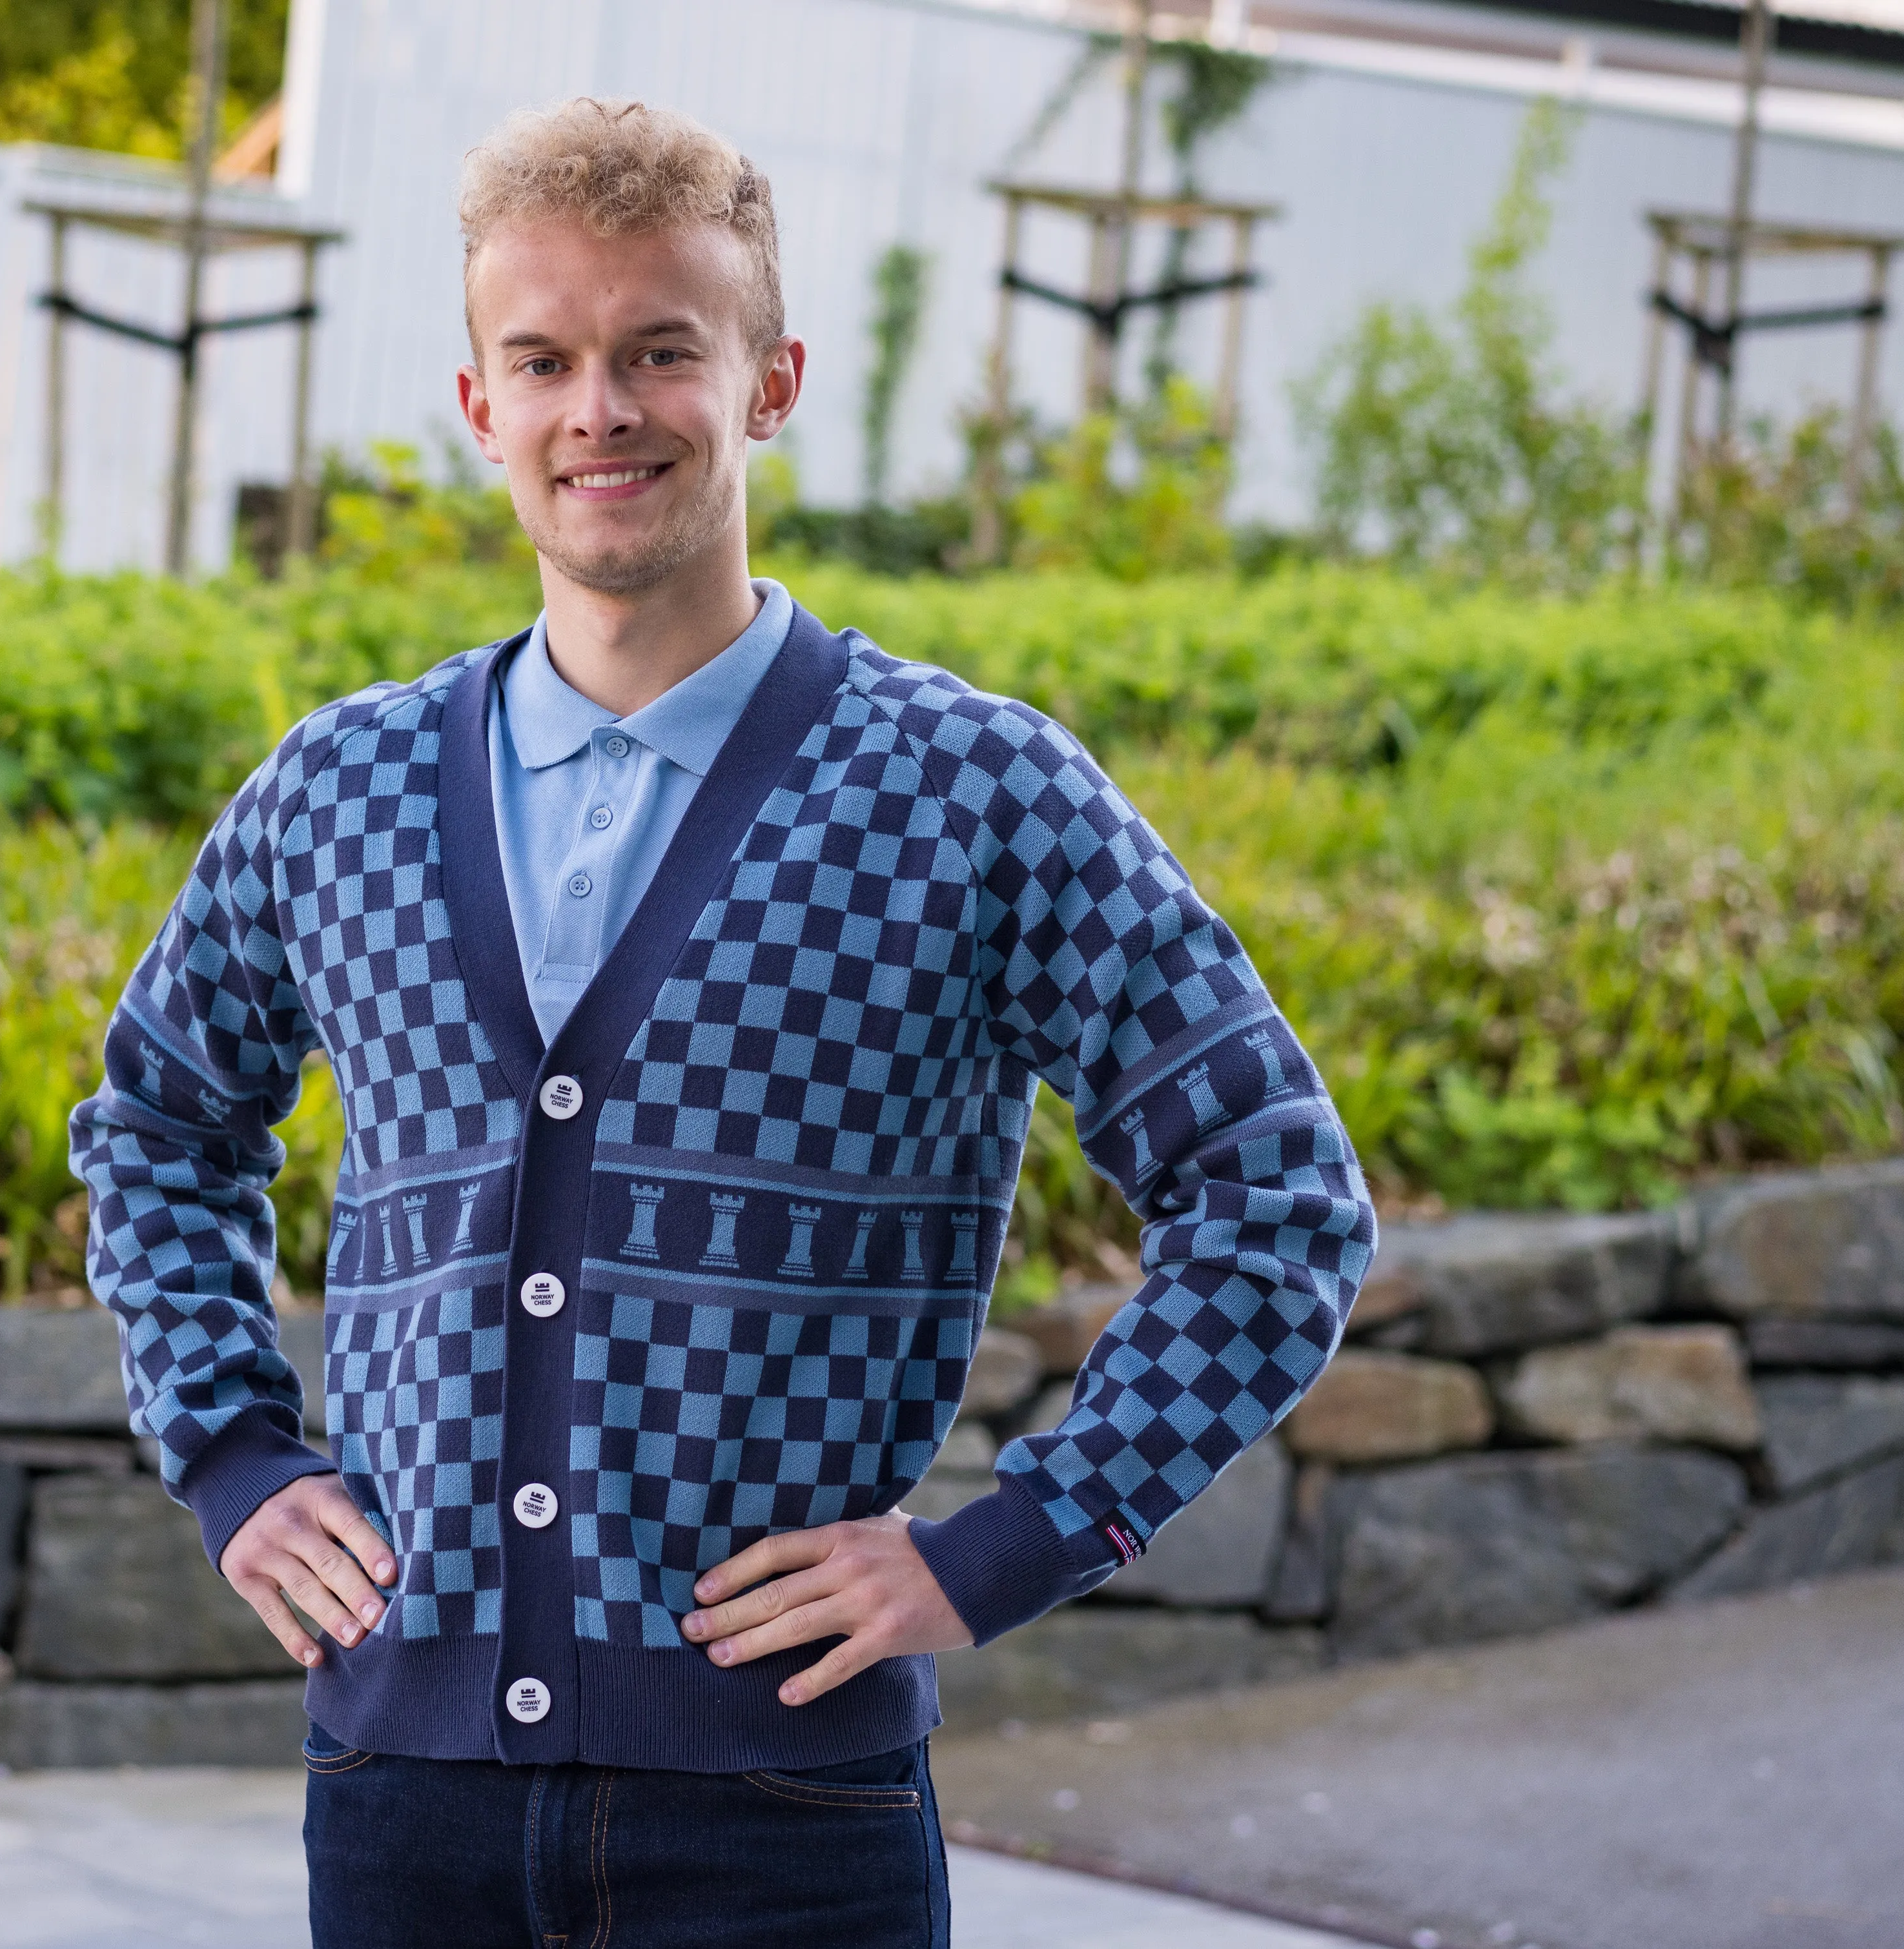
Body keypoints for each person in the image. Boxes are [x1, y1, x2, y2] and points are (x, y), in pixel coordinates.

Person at [69, 96, 1375, 1949]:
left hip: (785, 1814)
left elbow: (1274, 1196)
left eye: (659, 352)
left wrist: (1005, 1547)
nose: (597, 409)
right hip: (400, 1796)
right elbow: (158, 1127)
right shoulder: (336, 790)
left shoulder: (974, 792)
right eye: (544, 360)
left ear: (766, 384)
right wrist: (231, 1456)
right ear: (480, 408)